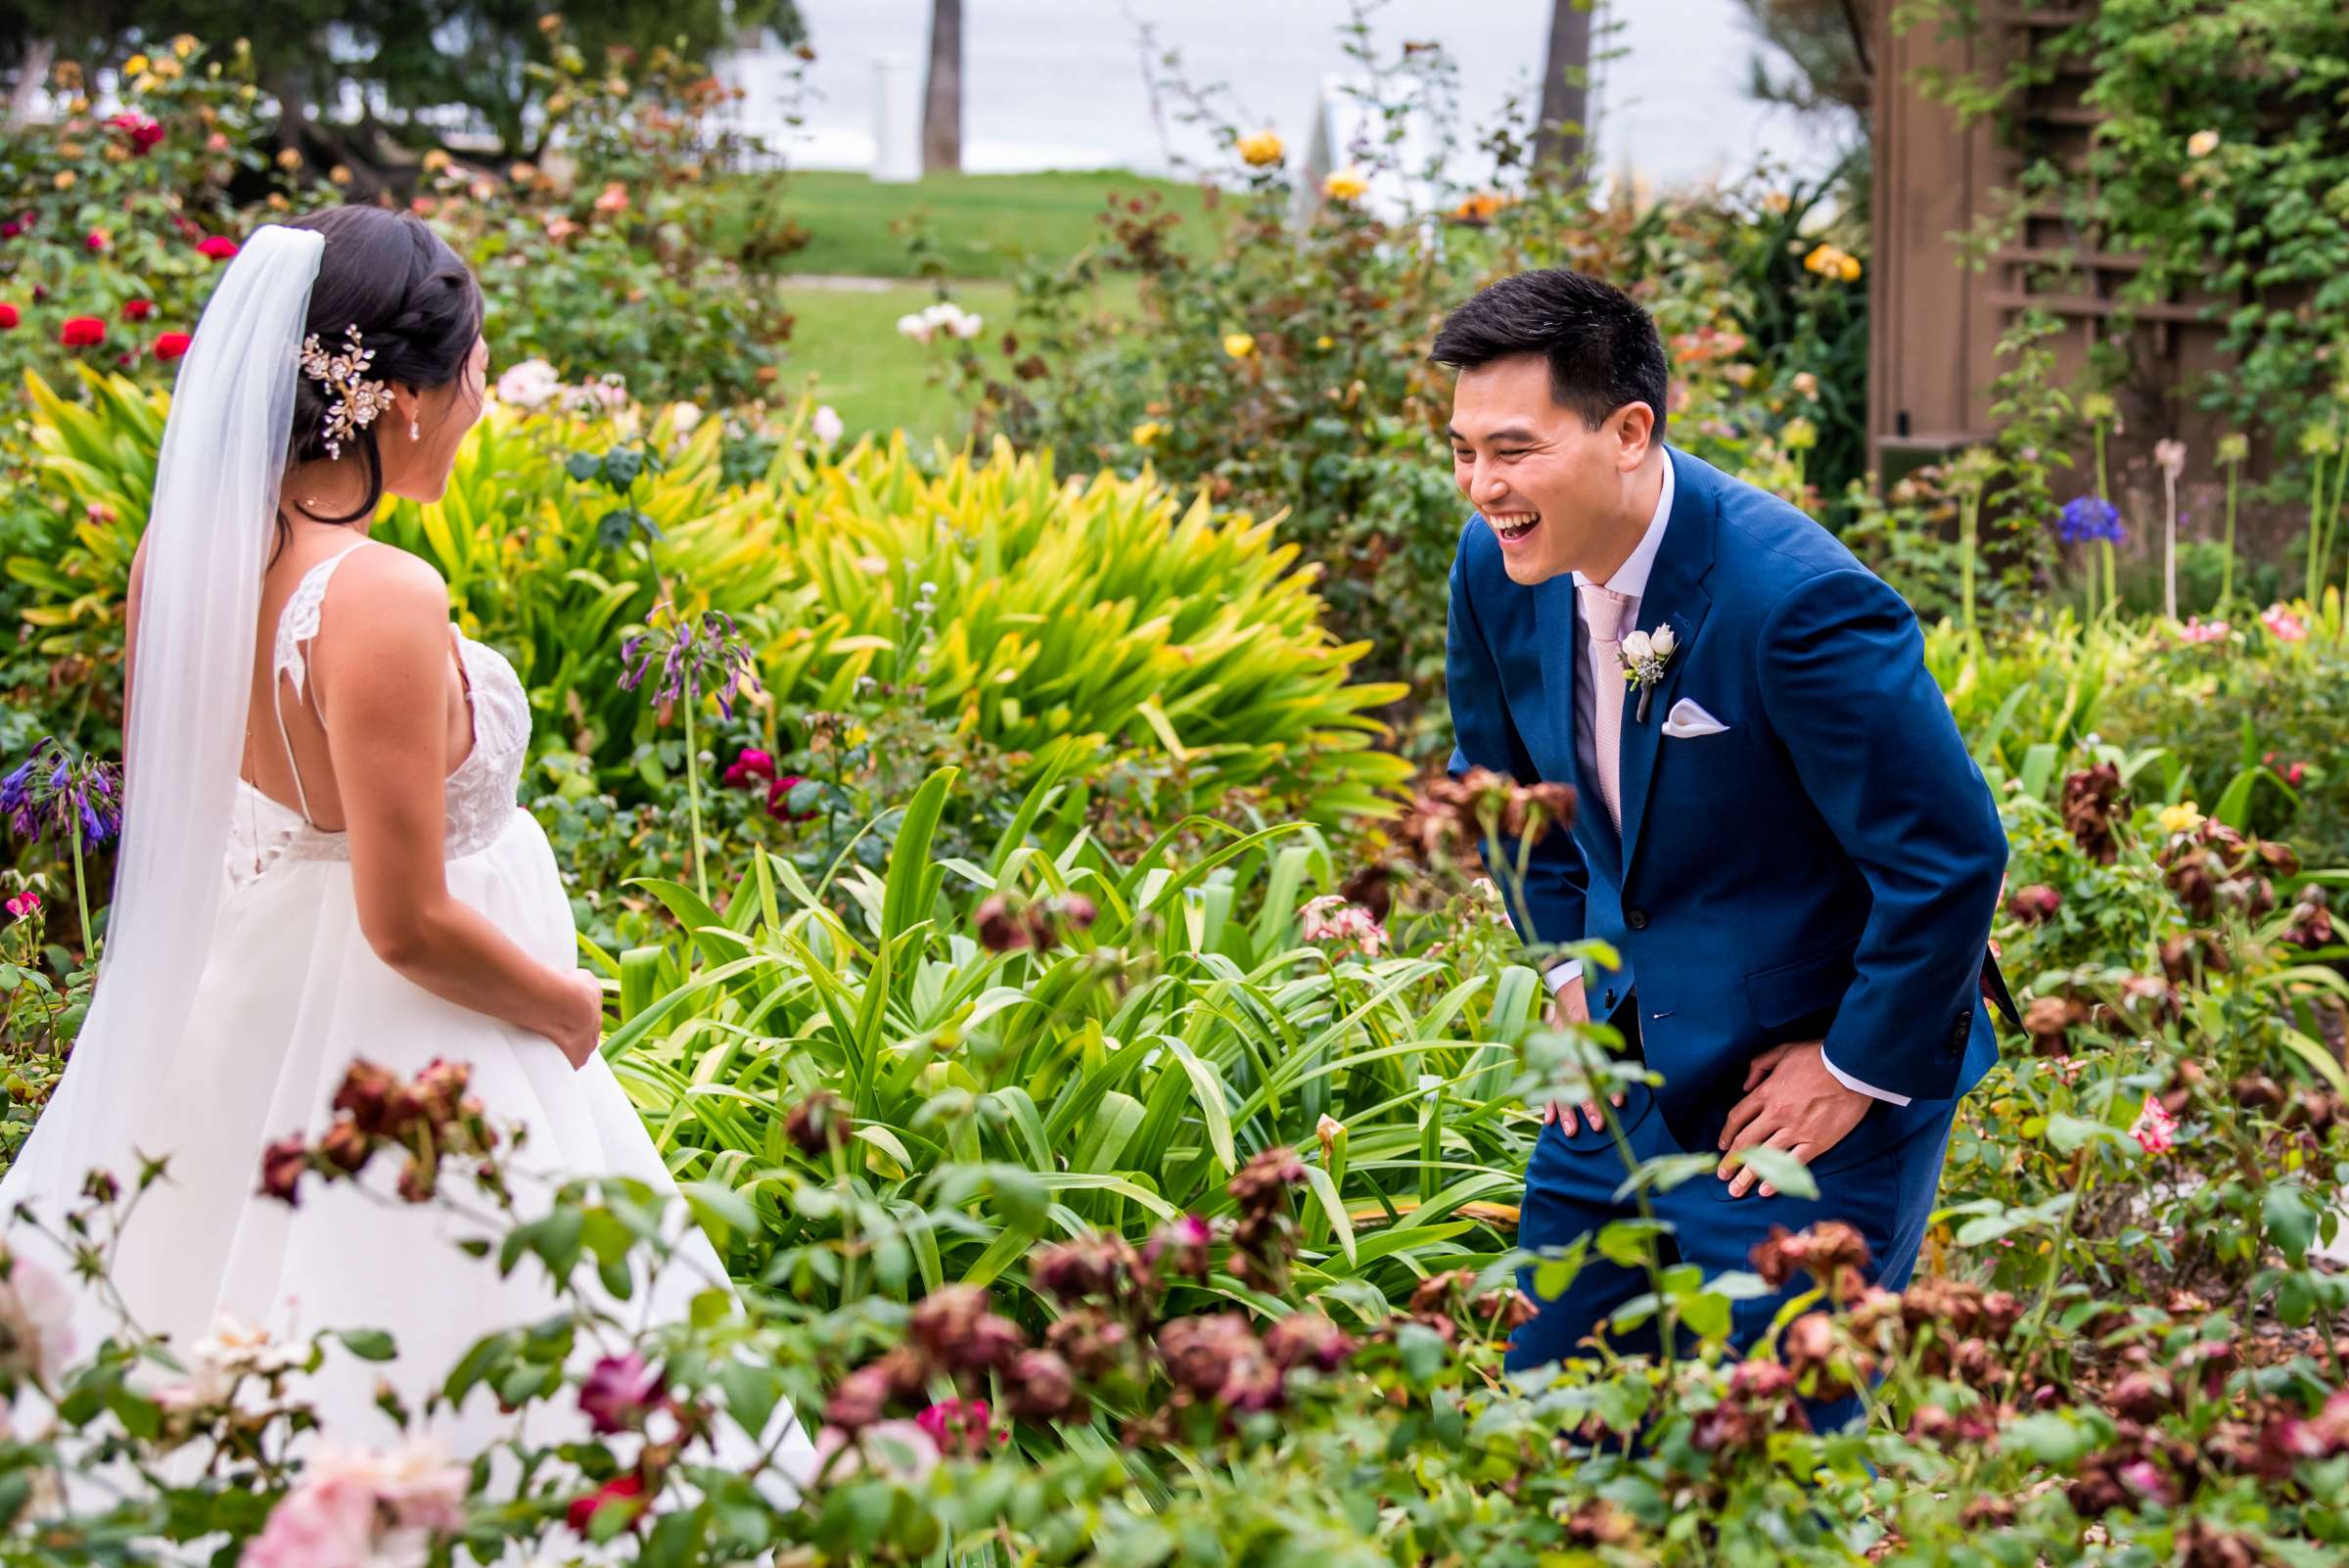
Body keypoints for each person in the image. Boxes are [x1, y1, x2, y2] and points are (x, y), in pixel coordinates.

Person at [0, 208, 811, 1468]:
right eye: (478, 365)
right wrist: (565, 1008)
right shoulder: (376, 594)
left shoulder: (190, 555)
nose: (486, 394)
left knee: (229, 1348)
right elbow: (407, 917)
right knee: (465, 1377)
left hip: (255, 1004)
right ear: (405, 400)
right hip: (410, 1042)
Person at [1436, 268, 2010, 1424]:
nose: (1482, 487)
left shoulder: (1798, 603)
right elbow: (1506, 796)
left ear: (1630, 431)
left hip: (1795, 1116)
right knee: (1552, 1419)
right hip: (1610, 1091)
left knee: (1760, 1462)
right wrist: (1562, 975)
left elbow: (1949, 856)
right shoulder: (1499, 571)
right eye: (1461, 450)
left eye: (1512, 450)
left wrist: (1849, 1071)